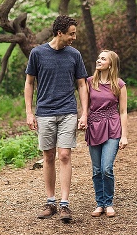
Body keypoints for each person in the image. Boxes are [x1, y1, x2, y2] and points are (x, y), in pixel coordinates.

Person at [25, 14, 89, 222]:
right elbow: (29, 83)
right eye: (71, 34)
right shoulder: (37, 53)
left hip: (68, 111)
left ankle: (64, 204)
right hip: (44, 112)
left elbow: (81, 84)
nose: (74, 37)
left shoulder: (74, 55)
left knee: (64, 155)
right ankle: (50, 201)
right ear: (59, 32)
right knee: (48, 156)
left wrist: (84, 113)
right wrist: (29, 112)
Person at [85, 50, 128, 218]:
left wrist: (124, 135)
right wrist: (83, 121)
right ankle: (99, 203)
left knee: (106, 168)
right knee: (96, 170)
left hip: (112, 126)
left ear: (110, 64)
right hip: (94, 126)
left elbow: (123, 111)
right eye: (98, 57)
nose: (99, 60)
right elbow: (86, 106)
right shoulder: (89, 82)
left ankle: (108, 203)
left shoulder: (119, 84)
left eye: (103, 58)